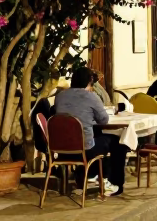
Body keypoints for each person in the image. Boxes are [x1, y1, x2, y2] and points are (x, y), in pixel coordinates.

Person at [53, 67, 127, 195]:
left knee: (94, 135)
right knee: (118, 143)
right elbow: (104, 120)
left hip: (61, 149)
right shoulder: (91, 96)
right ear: (90, 81)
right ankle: (115, 183)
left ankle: (84, 178)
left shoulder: (60, 96)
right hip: (84, 150)